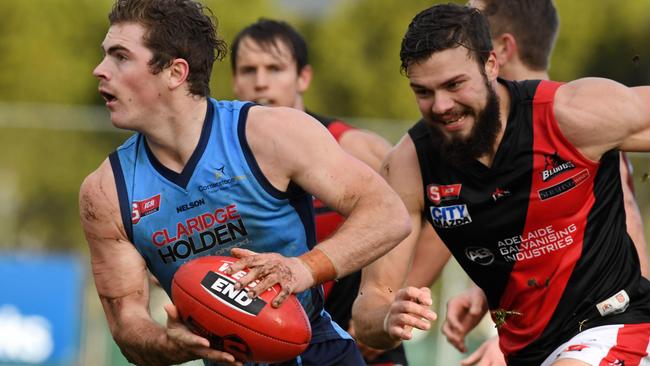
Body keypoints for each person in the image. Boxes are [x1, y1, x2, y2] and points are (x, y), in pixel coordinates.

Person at [79, 1, 410, 365]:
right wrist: (171, 344)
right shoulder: (106, 192)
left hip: (318, 352)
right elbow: (127, 323)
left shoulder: (270, 134)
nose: (100, 70)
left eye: (120, 56)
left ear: (175, 72)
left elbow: (388, 213)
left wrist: (302, 268)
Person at [352, 3, 650, 366]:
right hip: (524, 351)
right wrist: (387, 318)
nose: (442, 105)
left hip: (614, 324)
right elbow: (370, 304)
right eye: (424, 92)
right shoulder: (409, 165)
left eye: (454, 85)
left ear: (491, 65)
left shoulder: (570, 114)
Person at [230, 18, 409, 366]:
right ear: (235, 80)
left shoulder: (353, 147)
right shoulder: (221, 163)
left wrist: (384, 307)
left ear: (303, 77)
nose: (261, 81)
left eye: (275, 69)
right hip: (271, 338)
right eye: (249, 70)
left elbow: (417, 215)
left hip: (358, 336)